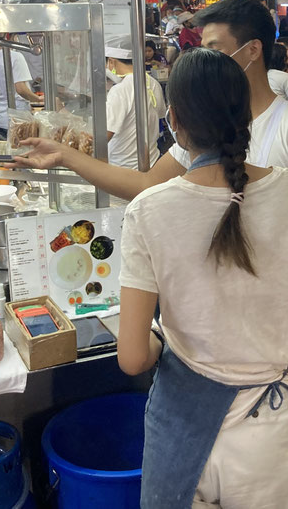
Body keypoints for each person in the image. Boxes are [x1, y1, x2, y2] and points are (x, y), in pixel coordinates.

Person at [117, 48, 288, 508]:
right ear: (246, 115)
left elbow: (133, 359)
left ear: (173, 120)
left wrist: (158, 337)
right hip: (272, 438)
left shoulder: (148, 211)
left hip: (185, 429)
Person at [9, 0, 288, 200]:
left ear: (253, 51)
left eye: (215, 49)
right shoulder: (206, 123)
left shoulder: (283, 125)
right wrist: (65, 156)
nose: (206, 60)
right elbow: (147, 184)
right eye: (203, 49)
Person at [105, 37, 166, 169]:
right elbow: (161, 115)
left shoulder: (119, 91)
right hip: (150, 161)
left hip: (122, 167)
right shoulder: (153, 83)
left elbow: (105, 135)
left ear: (111, 62)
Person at [0, 39, 43, 139]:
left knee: (3, 153)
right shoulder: (16, 57)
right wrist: (37, 99)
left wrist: (2, 95)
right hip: (17, 117)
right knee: (19, 153)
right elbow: (20, 89)